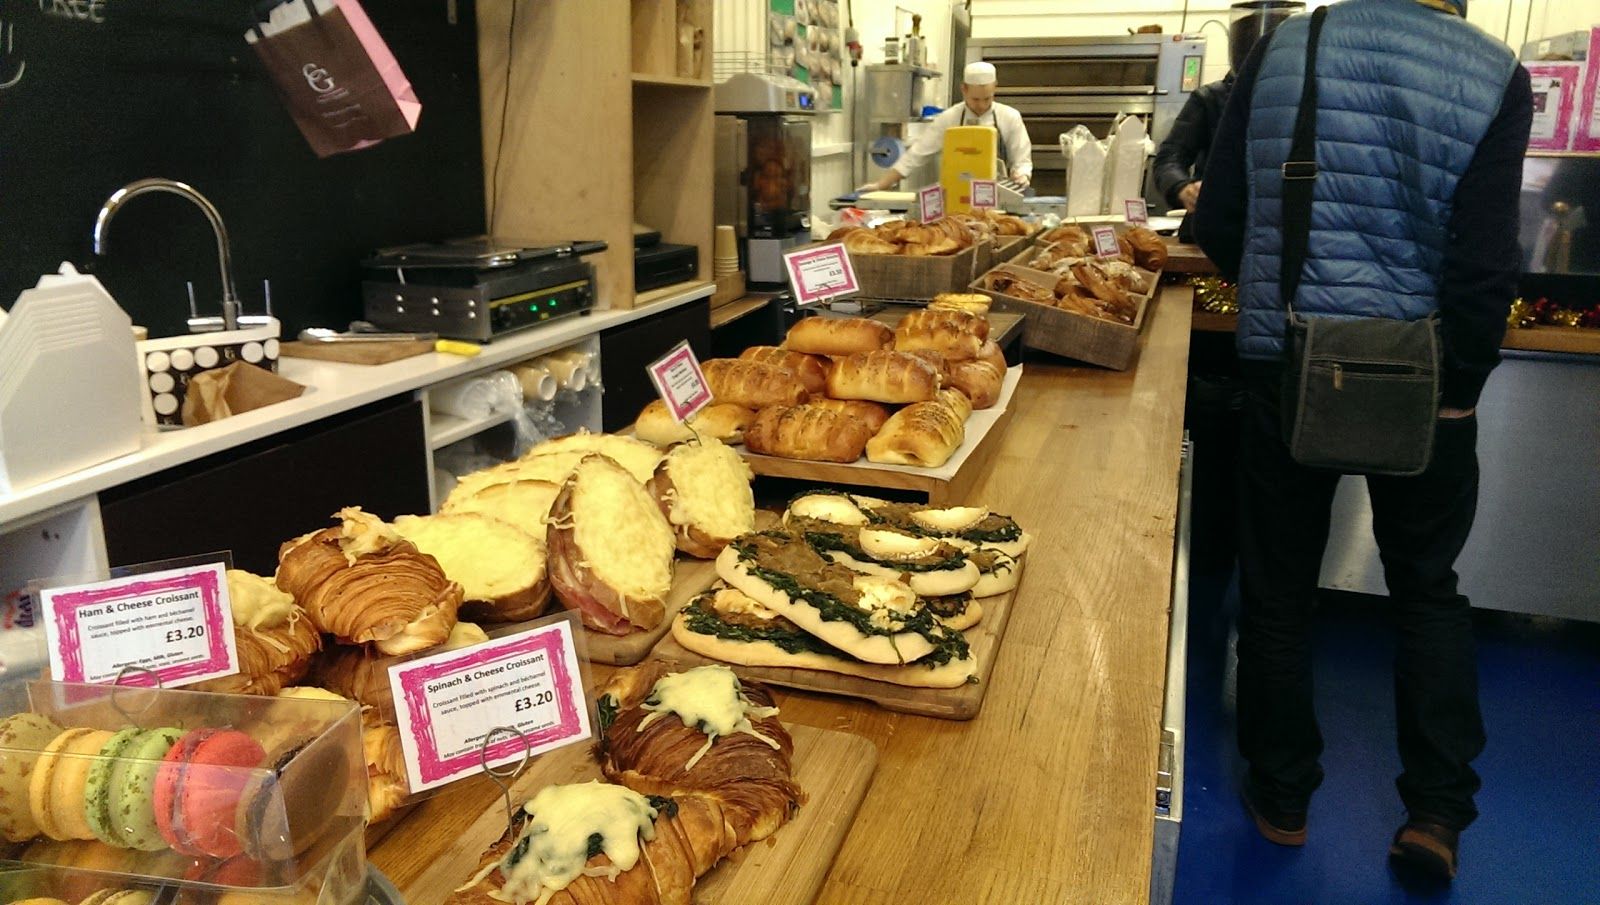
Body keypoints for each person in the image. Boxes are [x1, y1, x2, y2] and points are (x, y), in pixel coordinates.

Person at [1192, 0, 1532, 883]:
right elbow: (1485, 265)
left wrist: (1282, 299)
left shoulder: (1282, 48)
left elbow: (1219, 221)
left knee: (1278, 593)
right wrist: (1460, 390)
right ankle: (1436, 812)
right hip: (1425, 376)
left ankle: (1283, 795)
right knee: (1428, 592)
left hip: (1284, 361)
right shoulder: (1495, 73)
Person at [1153, 2, 1300, 238]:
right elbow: (1169, 158)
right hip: (1213, 230)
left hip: (1277, 230)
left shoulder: (1300, 100)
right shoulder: (1209, 99)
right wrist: (1182, 187)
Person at [860, 61, 1032, 192]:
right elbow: (917, 154)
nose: (981, 105)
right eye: (975, 99)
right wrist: (881, 185)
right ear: (964, 89)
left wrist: (1022, 175)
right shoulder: (949, 118)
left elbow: (1022, 159)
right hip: (956, 193)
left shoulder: (1010, 117)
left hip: (998, 195)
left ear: (995, 88)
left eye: (987, 99)